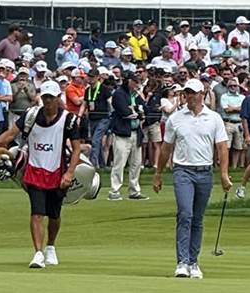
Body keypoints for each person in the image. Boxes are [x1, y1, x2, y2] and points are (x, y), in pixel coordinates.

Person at [0, 80, 81, 269]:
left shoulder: (68, 120)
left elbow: (77, 149)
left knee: (54, 215)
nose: (47, 101)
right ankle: (38, 253)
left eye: (51, 98)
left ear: (57, 98)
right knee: (36, 213)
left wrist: (69, 173)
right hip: (34, 171)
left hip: (57, 171)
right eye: (45, 97)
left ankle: (50, 247)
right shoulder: (31, 115)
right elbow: (11, 134)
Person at [153, 78, 232, 279]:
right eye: (187, 92)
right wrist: (158, 173)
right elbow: (166, 149)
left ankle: (194, 262)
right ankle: (182, 262)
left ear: (201, 94)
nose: (189, 96)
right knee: (185, 214)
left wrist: (223, 174)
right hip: (183, 172)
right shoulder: (176, 119)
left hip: (205, 172)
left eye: (193, 92)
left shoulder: (214, 118)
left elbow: (222, 147)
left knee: (197, 219)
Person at [108, 71, 148, 201]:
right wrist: (136, 110)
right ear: (127, 81)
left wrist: (134, 108)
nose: (137, 84)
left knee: (136, 164)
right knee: (119, 163)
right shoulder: (119, 94)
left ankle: (134, 190)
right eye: (134, 81)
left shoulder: (135, 95)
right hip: (122, 133)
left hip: (136, 132)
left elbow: (144, 109)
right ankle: (114, 190)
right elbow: (125, 112)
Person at [83, 68, 112, 168]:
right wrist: (79, 116)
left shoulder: (104, 89)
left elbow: (110, 101)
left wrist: (114, 114)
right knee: (97, 142)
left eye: (92, 77)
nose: (89, 79)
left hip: (103, 118)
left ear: (97, 77)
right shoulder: (88, 90)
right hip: (92, 118)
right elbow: (84, 103)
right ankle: (103, 164)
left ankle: (93, 164)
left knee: (95, 139)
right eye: (89, 76)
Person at [220, 78, 246, 169]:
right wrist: (238, 108)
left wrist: (233, 108)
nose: (233, 87)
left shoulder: (242, 97)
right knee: (227, 147)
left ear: (238, 86)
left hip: (239, 124)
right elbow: (227, 110)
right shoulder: (224, 96)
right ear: (228, 87)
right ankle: (225, 166)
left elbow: (243, 109)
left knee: (238, 147)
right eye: (231, 86)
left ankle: (234, 166)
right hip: (228, 123)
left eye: (235, 86)